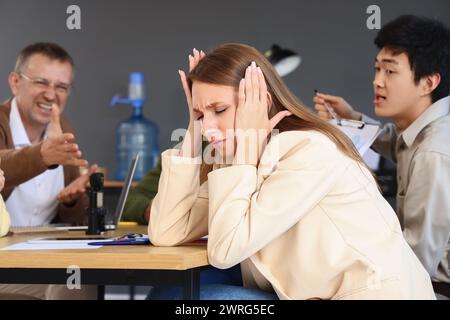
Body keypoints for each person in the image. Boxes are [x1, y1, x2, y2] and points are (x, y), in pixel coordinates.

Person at [147, 43, 435, 300]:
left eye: (219, 110)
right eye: (200, 114)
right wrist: (193, 126)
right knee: (171, 291)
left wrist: (244, 154)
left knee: (188, 298)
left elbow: (224, 251)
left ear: (261, 103)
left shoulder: (308, 149)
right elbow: (167, 231)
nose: (209, 127)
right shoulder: (236, 157)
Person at [314, 15, 450, 298]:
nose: (377, 81)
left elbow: (418, 259)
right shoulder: (426, 128)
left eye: (390, 71)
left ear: (428, 82)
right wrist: (351, 118)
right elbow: (395, 141)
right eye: (377, 69)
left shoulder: (433, 152)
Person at [0, 42, 97, 299]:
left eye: (61, 87)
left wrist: (72, 200)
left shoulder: (61, 127)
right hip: (6, 267)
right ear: (14, 82)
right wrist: (42, 155)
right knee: (65, 287)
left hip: (43, 259)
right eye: (41, 82)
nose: (51, 94)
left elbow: (73, 220)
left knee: (81, 281)